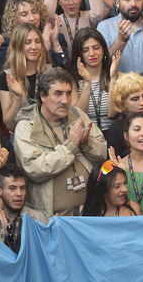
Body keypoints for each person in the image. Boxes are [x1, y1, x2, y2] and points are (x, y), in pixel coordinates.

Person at [14, 67, 107, 217]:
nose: (65, 100)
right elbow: (35, 169)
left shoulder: (78, 115)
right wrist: (71, 146)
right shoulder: (26, 127)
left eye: (68, 93)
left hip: (88, 214)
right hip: (50, 218)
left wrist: (84, 144)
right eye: (58, 94)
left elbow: (102, 154)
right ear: (43, 95)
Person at [0, 164, 49, 253]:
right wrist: (2, 230)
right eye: (12, 188)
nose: (19, 193)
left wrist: (38, 232)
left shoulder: (38, 218)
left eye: (22, 188)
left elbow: (47, 255)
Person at [0, 23, 53, 131]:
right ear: (17, 46)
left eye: (37, 41)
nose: (34, 47)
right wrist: (18, 97)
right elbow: (10, 125)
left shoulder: (52, 73)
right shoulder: (6, 78)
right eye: (28, 42)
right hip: (21, 138)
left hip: (50, 134)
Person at [66, 28, 118, 132]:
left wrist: (113, 78)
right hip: (87, 137)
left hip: (114, 134)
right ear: (79, 54)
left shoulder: (117, 76)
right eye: (85, 50)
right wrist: (87, 83)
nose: (92, 53)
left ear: (103, 49)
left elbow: (111, 114)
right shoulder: (72, 81)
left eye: (96, 48)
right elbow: (78, 116)